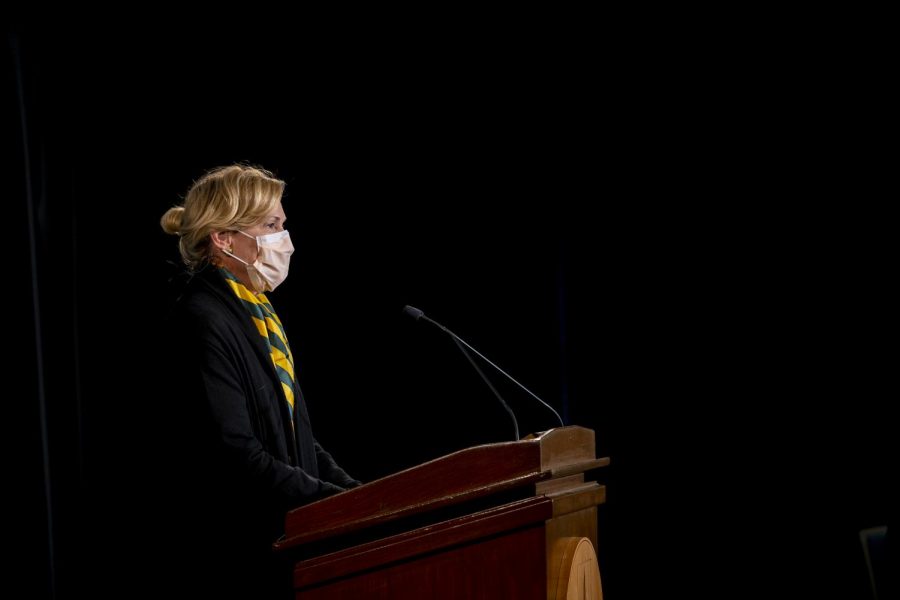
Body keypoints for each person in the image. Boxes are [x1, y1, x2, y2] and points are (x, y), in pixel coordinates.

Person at [157, 164, 361, 599]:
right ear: (223, 238)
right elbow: (237, 453)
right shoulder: (203, 319)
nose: (283, 241)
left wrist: (357, 494)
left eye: (283, 226)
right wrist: (332, 502)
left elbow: (293, 434)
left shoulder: (257, 313)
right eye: (269, 226)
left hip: (292, 542)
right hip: (244, 556)